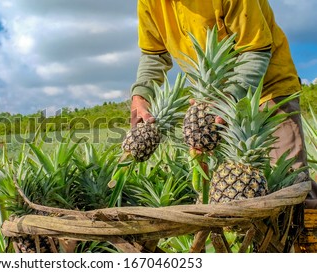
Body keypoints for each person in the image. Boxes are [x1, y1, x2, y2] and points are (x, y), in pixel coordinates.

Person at [130, 0, 317, 208]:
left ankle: (306, 235)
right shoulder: (148, 2)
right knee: (234, 189)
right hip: (213, 100)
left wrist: (227, 98)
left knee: (292, 183)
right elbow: (153, 54)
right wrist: (141, 94)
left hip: (270, 90)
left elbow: (256, 50)